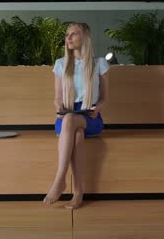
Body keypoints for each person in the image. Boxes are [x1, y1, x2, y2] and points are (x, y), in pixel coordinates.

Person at [43, 22, 110, 209]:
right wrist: (59, 107)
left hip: (90, 116)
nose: (69, 38)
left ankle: (60, 179)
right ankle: (78, 193)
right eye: (67, 34)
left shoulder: (99, 64)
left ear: (85, 38)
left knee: (72, 121)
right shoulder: (60, 64)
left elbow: (105, 98)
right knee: (77, 134)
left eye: (74, 34)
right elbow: (57, 97)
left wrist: (97, 108)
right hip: (66, 115)